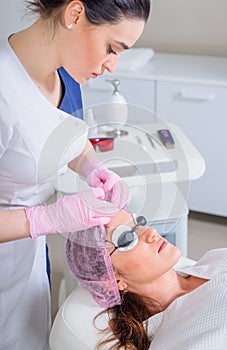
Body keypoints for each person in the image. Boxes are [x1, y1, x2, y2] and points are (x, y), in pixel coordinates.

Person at [0, 1, 151, 349]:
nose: (113, 65)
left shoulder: (66, 72)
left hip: (30, 256)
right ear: (74, 14)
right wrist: (44, 218)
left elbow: (67, 134)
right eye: (112, 48)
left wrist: (91, 165)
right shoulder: (5, 90)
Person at [66, 209, 227, 350]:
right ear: (112, 281)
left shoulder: (214, 258)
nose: (150, 232)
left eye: (138, 222)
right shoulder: (180, 340)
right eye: (126, 238)